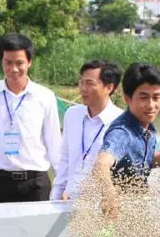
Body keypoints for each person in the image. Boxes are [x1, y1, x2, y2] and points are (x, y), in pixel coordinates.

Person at [0, 33, 61, 205]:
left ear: (29, 62)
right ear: (2, 61)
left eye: (19, 63)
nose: (13, 69)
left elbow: (54, 142)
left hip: (35, 184)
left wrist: (62, 182)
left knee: (36, 233)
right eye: (8, 62)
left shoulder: (45, 97)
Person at [93, 62, 160, 218]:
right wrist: (109, 195)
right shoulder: (122, 133)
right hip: (114, 213)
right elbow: (101, 164)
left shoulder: (147, 127)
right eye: (144, 98)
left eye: (156, 98)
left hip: (137, 209)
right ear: (128, 99)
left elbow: (149, 160)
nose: (151, 105)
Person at [50, 60, 123, 201]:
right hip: (67, 201)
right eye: (81, 82)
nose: (83, 88)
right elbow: (65, 158)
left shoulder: (120, 122)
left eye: (89, 84)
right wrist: (55, 197)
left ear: (108, 87)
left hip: (100, 206)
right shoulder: (72, 115)